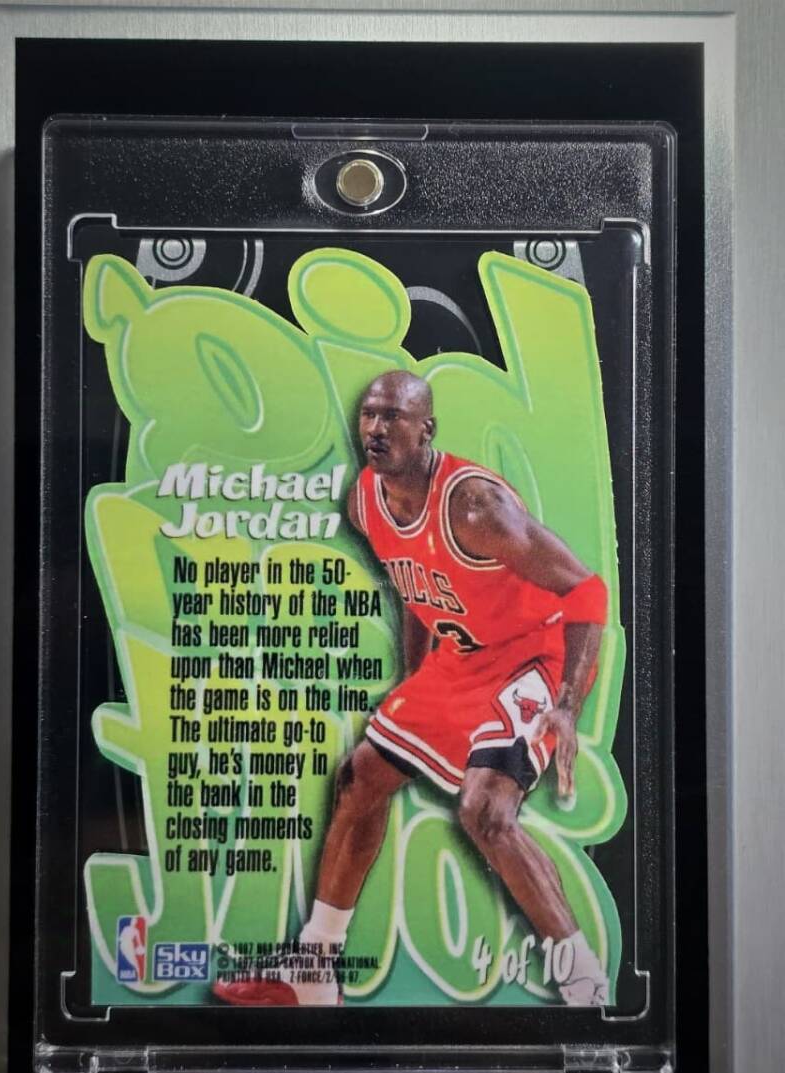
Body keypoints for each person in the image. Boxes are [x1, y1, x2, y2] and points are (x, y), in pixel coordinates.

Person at [214, 370, 611, 1007]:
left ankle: (586, 986)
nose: (376, 427)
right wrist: (414, 678)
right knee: (360, 777)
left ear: (426, 430)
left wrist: (567, 704)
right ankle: (314, 969)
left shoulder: (474, 507)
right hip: (461, 658)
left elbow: (586, 591)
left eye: (393, 417)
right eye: (369, 414)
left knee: (486, 813)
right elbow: (415, 586)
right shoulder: (366, 502)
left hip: (532, 655)